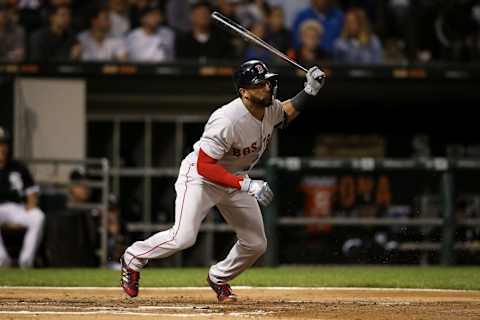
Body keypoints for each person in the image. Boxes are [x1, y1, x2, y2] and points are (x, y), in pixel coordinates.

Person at [120, 60, 325, 302]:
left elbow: (285, 113)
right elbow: (205, 166)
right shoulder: (227, 120)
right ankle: (133, 257)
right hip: (200, 178)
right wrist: (247, 185)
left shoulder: (269, 108)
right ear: (244, 92)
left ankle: (218, 277)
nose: (267, 87)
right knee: (183, 237)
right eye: (259, 85)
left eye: (267, 82)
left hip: (235, 177)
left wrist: (309, 91)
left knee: (256, 243)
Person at [0, 127, 45, 268]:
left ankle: (25, 262)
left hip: (18, 209)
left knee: (38, 216)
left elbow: (31, 193)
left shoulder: (18, 166)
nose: (2, 148)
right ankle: (2, 260)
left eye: (4, 144)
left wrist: (30, 207)